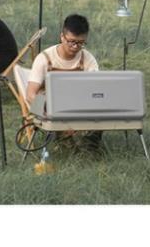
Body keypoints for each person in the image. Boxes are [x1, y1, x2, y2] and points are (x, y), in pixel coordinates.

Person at [26, 14, 103, 150]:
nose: (75, 46)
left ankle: (88, 148)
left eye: (81, 43)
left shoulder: (87, 58)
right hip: (49, 107)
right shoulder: (44, 58)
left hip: (78, 105)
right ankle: (67, 142)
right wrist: (44, 111)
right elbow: (30, 94)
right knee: (67, 145)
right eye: (71, 41)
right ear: (62, 36)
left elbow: (95, 89)